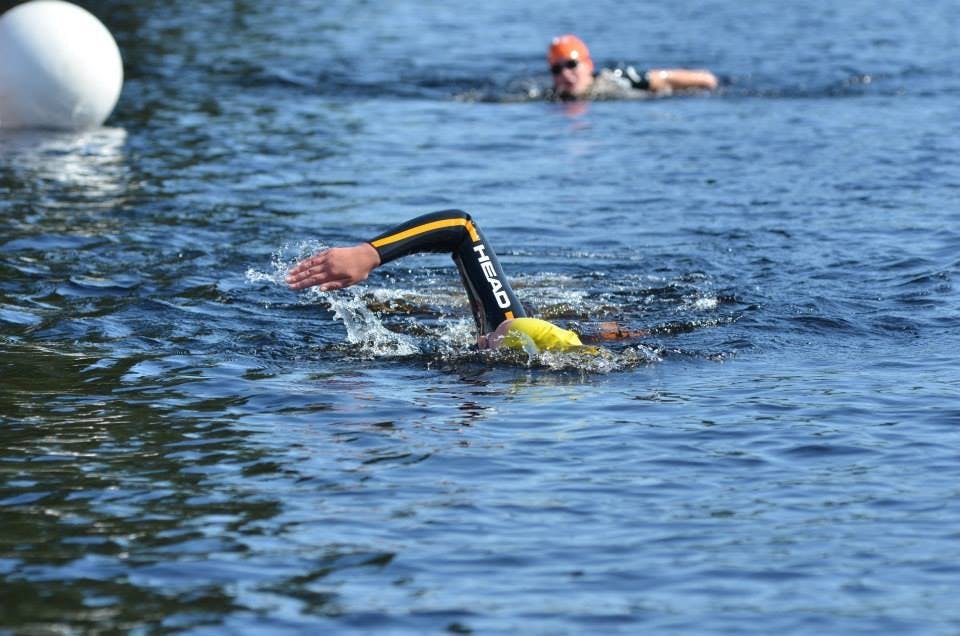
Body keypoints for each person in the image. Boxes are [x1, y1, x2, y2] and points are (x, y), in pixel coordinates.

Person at [286, 210, 643, 354]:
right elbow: (461, 227)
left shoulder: (513, 341)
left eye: (492, 342)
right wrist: (368, 254)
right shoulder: (508, 330)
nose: (483, 340)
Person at [547, 34, 718, 100]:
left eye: (571, 65)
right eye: (557, 69)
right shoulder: (552, 98)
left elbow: (663, 78)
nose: (565, 74)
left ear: (588, 65)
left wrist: (704, 80)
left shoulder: (615, 78)